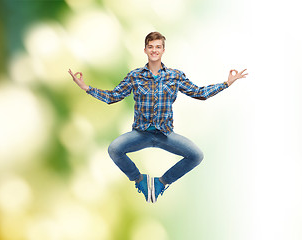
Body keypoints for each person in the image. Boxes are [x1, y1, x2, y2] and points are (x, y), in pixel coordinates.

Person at [68, 32, 248, 203]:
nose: (154, 50)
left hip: (165, 135)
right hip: (140, 134)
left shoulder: (175, 76)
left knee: (196, 155)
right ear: (145, 50)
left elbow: (199, 93)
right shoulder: (135, 76)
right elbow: (113, 96)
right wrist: (87, 88)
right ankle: (140, 181)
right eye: (150, 46)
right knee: (114, 149)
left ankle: (161, 183)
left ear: (163, 50)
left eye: (158, 46)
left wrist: (226, 83)